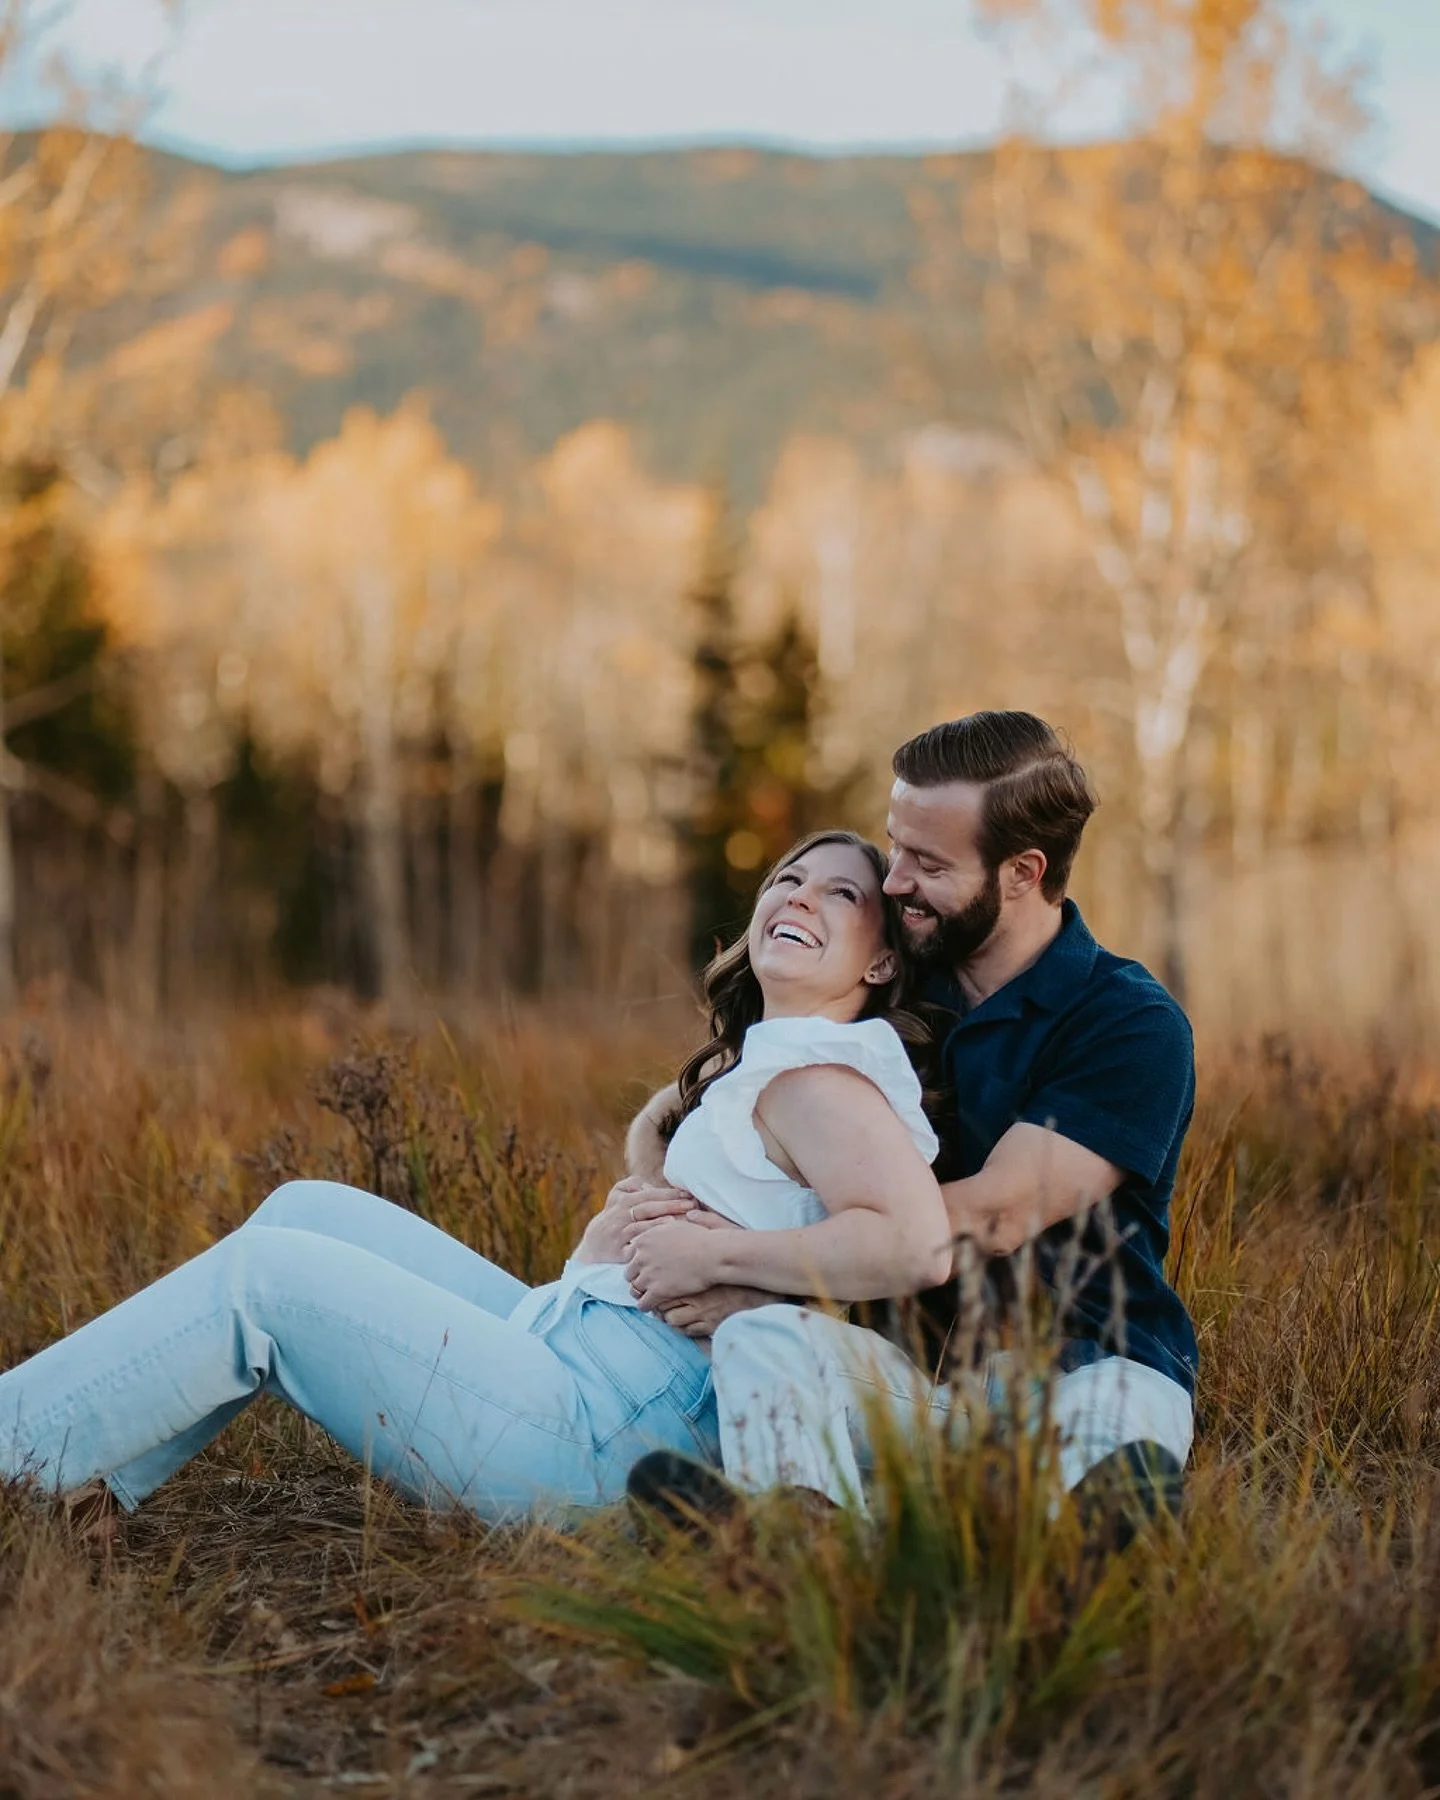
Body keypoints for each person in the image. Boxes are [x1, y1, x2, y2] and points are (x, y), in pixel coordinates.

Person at [0, 832, 951, 1526]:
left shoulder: (822, 1078)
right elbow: (694, 1165)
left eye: (839, 895)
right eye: (787, 879)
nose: (797, 896)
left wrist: (715, 1257)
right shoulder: (775, 1057)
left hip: (603, 1440)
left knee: (266, 1281)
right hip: (583, 1355)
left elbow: (914, 1242)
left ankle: (11, 1455)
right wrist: (618, 1235)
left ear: (879, 958)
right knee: (305, 1207)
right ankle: (80, 1492)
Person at [618, 711, 1198, 1518]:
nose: (894, 883)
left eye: (927, 862)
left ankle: (1076, 1556)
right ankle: (799, 1549)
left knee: (1109, 1447)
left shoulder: (1129, 1024)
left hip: (1092, 1364)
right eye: (895, 847)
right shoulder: (894, 982)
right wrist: (669, 1204)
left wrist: (741, 1262)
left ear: (1022, 872)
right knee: (766, 1342)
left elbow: (992, 1216)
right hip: (913, 1381)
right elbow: (693, 1112)